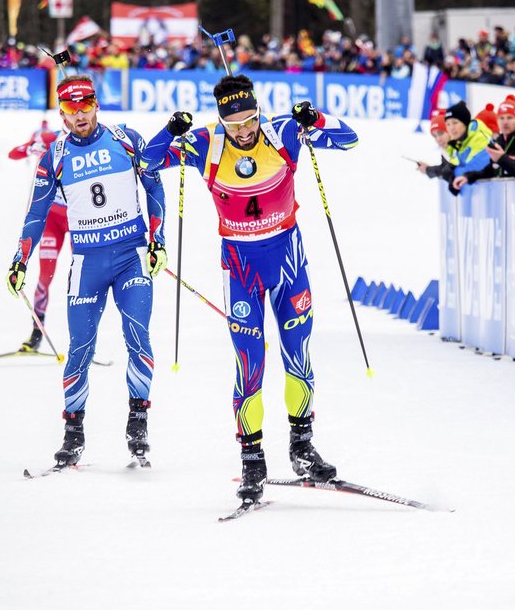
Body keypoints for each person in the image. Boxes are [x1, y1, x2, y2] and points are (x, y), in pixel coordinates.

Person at [140, 74, 359, 505]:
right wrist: (170, 131)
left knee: (298, 352)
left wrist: (316, 117)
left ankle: (302, 446)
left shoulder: (283, 132)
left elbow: (349, 140)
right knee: (249, 363)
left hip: (288, 262)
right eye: (232, 123)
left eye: (248, 120)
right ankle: (252, 459)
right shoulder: (206, 143)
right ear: (220, 119)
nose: (242, 131)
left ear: (258, 111)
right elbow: (147, 162)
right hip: (240, 268)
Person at [6, 75, 166, 467]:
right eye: (71, 109)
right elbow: (36, 213)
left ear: (96, 105)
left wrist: (158, 239)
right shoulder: (55, 155)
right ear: (61, 114)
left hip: (130, 256)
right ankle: (73, 434)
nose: (80, 115)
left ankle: (138, 424)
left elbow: (154, 185)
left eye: (85, 106)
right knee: (80, 347)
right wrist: (19, 260)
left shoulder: (125, 138)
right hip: (87, 263)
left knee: (137, 336)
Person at [8, 119, 69, 352]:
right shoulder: (50, 139)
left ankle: (82, 334)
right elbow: (13, 154)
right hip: (53, 219)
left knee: (82, 275)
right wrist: (34, 146)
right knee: (46, 275)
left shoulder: (88, 142)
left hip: (78, 220)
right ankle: (37, 330)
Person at [458, 95, 515, 187]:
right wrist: (469, 177)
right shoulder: (500, 140)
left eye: (510, 118)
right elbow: (492, 170)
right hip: (505, 197)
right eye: (501, 118)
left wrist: (502, 159)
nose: (505, 122)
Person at [440, 101, 492, 194]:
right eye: (448, 124)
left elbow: (475, 167)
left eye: (455, 123)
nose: (451, 128)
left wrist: (452, 173)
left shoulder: (480, 138)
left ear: (465, 123)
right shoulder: (460, 143)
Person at [416, 109, 457, 195]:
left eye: (441, 133)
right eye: (434, 136)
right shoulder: (445, 151)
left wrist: (428, 170)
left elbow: (450, 171)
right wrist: (427, 169)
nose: (438, 139)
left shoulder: (459, 148)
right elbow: (444, 168)